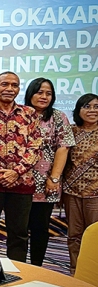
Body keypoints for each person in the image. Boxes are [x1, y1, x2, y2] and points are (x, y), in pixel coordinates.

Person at [0, 72, 41, 262]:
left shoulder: (29, 113)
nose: (9, 89)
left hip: (22, 183)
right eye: (4, 84)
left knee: (19, 233)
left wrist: (16, 172)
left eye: (14, 85)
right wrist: (0, 173)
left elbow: (36, 146)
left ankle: (18, 271)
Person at [24, 78, 74, 266]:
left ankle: (37, 266)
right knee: (19, 228)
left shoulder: (58, 117)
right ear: (30, 94)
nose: (44, 97)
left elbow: (63, 147)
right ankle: (18, 267)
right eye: (39, 92)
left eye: (49, 93)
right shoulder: (21, 114)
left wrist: (54, 178)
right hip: (20, 181)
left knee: (40, 228)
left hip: (47, 182)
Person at [62, 94, 98, 272]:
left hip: (95, 193)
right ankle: (75, 271)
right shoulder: (71, 131)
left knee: (94, 235)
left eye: (96, 107)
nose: (92, 110)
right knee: (74, 234)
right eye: (87, 106)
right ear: (78, 110)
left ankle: (93, 273)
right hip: (71, 192)